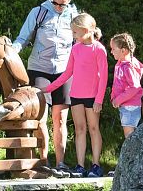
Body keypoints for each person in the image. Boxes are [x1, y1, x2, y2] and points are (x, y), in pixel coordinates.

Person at [12, 0, 78, 177]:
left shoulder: (75, 15)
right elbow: (22, 38)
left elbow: (84, 41)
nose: (58, 7)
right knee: (40, 117)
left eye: (62, 4)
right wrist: (11, 52)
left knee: (60, 120)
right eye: (55, 3)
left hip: (65, 71)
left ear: (70, 1)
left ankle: (61, 162)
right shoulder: (39, 12)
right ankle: (43, 160)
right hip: (39, 69)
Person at [46, 13, 108, 178]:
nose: (73, 35)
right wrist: (48, 88)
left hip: (93, 97)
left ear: (86, 30)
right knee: (80, 129)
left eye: (75, 32)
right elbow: (67, 73)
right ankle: (80, 166)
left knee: (94, 129)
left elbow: (104, 77)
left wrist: (99, 100)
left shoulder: (99, 49)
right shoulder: (75, 48)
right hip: (76, 96)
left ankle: (95, 165)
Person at [109, 33, 143, 138]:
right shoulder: (121, 63)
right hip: (126, 106)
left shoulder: (128, 67)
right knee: (130, 136)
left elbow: (134, 87)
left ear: (123, 50)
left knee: (129, 137)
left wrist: (118, 99)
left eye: (113, 49)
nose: (111, 52)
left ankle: (132, 154)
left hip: (130, 107)